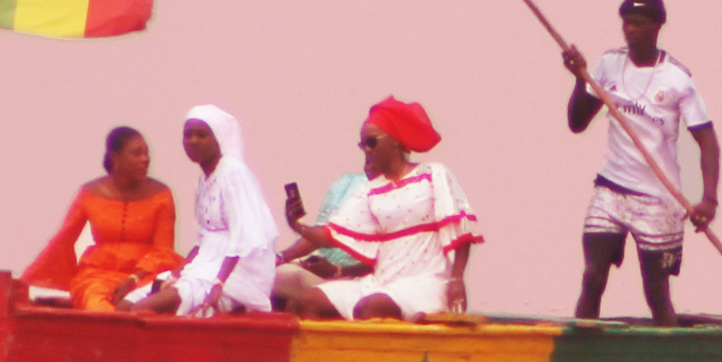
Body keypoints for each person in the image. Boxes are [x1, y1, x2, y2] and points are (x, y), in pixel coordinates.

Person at [559, 0, 720, 326]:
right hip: (612, 188)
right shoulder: (608, 65)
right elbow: (577, 123)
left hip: (658, 199)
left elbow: (707, 140)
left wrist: (708, 199)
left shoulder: (677, 79)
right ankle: (582, 358)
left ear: (656, 26)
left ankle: (668, 359)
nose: (629, 31)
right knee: (593, 277)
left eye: (638, 23)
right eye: (625, 23)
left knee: (656, 292)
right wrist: (579, 79)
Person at [285, 98, 481, 321]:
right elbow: (331, 234)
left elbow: (463, 225)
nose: (367, 150)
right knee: (308, 302)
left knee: (372, 307)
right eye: (362, 145)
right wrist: (298, 226)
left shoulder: (434, 174)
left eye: (371, 142)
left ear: (395, 141)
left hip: (426, 282)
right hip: (380, 282)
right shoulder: (370, 190)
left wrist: (457, 279)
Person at [133, 105, 277, 316]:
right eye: (187, 135)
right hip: (205, 266)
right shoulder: (204, 180)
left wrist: (218, 284)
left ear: (218, 138)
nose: (193, 141)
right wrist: (177, 271)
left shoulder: (232, 172)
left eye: (202, 135)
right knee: (127, 305)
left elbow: (243, 236)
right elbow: (202, 241)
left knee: (142, 310)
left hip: (235, 273)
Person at [21, 127, 184, 311]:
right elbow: (63, 239)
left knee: (149, 307)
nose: (145, 159)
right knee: (98, 309)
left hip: (146, 276)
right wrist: (25, 282)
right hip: (97, 276)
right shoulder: (89, 193)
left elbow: (164, 251)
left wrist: (133, 279)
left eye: (147, 154)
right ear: (116, 158)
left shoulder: (162, 195)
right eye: (137, 154)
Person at [272, 170, 372, 305]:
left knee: (280, 280)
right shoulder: (347, 183)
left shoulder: (394, 198)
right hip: (322, 269)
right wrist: (281, 257)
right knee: (268, 276)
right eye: (364, 147)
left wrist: (337, 270)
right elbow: (322, 234)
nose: (368, 151)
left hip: (359, 282)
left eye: (372, 146)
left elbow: (384, 262)